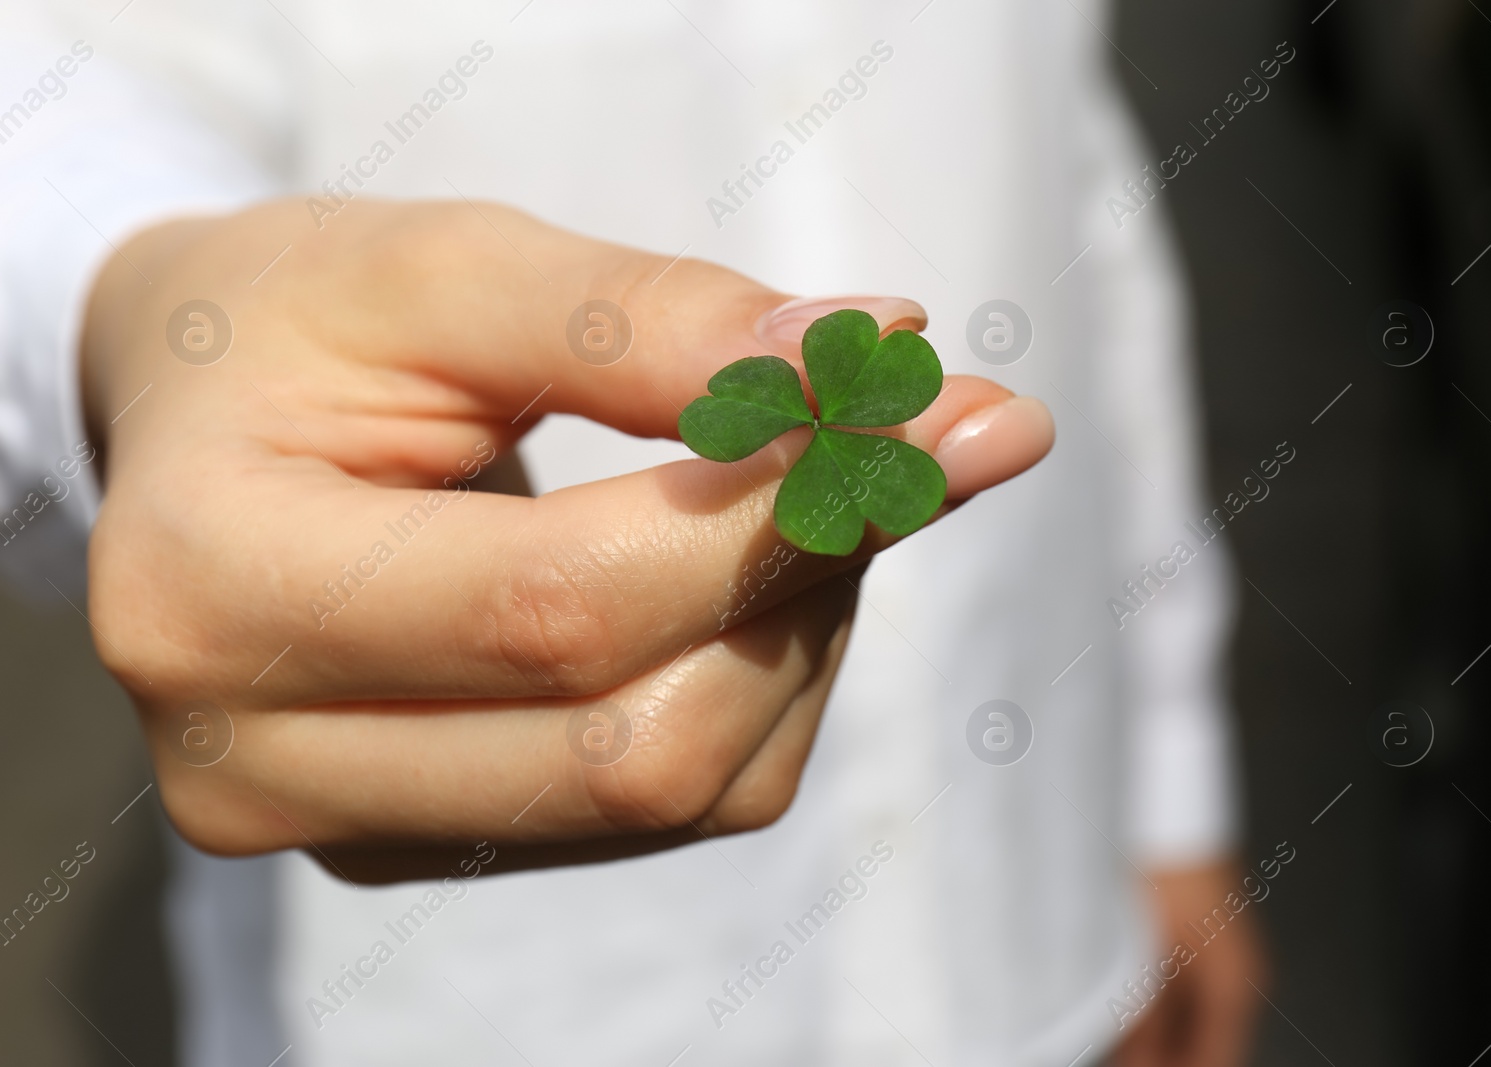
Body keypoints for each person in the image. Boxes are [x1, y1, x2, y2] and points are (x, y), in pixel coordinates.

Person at [0, 3, 1260, 1065]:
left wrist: (1165, 779)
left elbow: (1073, 169)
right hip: (500, 1003)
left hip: (1025, 911)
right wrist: (134, 294)